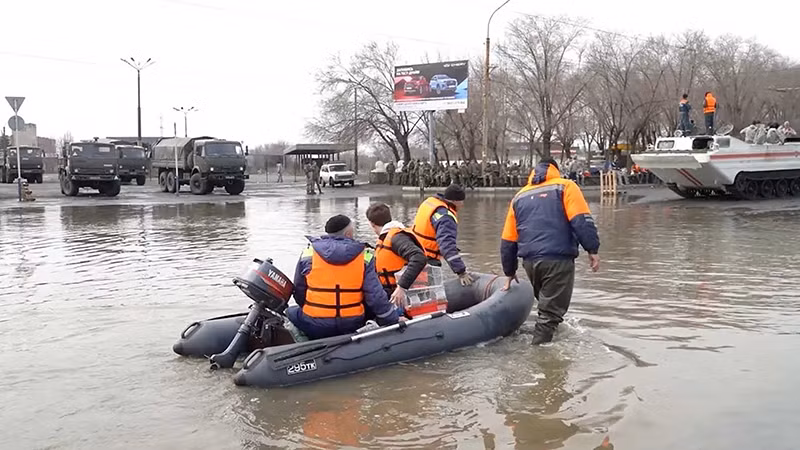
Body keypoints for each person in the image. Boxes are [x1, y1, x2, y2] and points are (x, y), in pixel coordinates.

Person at [500, 157, 600, 345]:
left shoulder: (519, 196)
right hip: (557, 259)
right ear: (555, 169)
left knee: (546, 307)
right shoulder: (566, 187)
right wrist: (592, 249)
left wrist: (509, 271)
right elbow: (581, 221)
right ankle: (540, 356)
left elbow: (508, 239)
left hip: (530, 263)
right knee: (549, 314)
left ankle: (544, 340)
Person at [287, 215, 400, 340]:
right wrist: (390, 318)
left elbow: (299, 291)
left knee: (291, 312)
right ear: (348, 233)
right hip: (352, 324)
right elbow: (375, 296)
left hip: (315, 324)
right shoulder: (365, 257)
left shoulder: (308, 254)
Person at [366, 203, 427, 307]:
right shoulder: (387, 238)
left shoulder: (397, 238)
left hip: (404, 296)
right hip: (390, 294)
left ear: (372, 224)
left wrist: (402, 287)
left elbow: (419, 257)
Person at [411, 184, 473, 286]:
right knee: (432, 293)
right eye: (461, 201)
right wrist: (461, 272)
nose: (462, 205)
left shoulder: (430, 202)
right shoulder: (446, 217)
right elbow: (446, 246)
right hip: (428, 261)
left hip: (414, 253)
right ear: (454, 201)